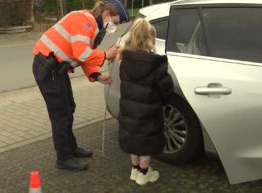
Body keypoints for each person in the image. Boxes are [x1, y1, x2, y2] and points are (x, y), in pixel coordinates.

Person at [32, 0, 129, 171]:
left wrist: (98, 76)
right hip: (48, 69)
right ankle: (64, 158)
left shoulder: (94, 27)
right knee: (61, 115)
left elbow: (86, 57)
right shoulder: (85, 20)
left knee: (68, 108)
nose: (113, 27)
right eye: (114, 22)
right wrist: (106, 54)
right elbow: (81, 52)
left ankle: (71, 149)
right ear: (106, 14)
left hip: (56, 69)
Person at [118, 18, 174, 185]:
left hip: (129, 112)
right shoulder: (156, 65)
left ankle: (135, 170)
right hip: (148, 113)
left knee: (133, 140)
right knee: (146, 143)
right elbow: (166, 89)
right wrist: (163, 102)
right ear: (151, 39)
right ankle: (144, 173)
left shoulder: (125, 61)